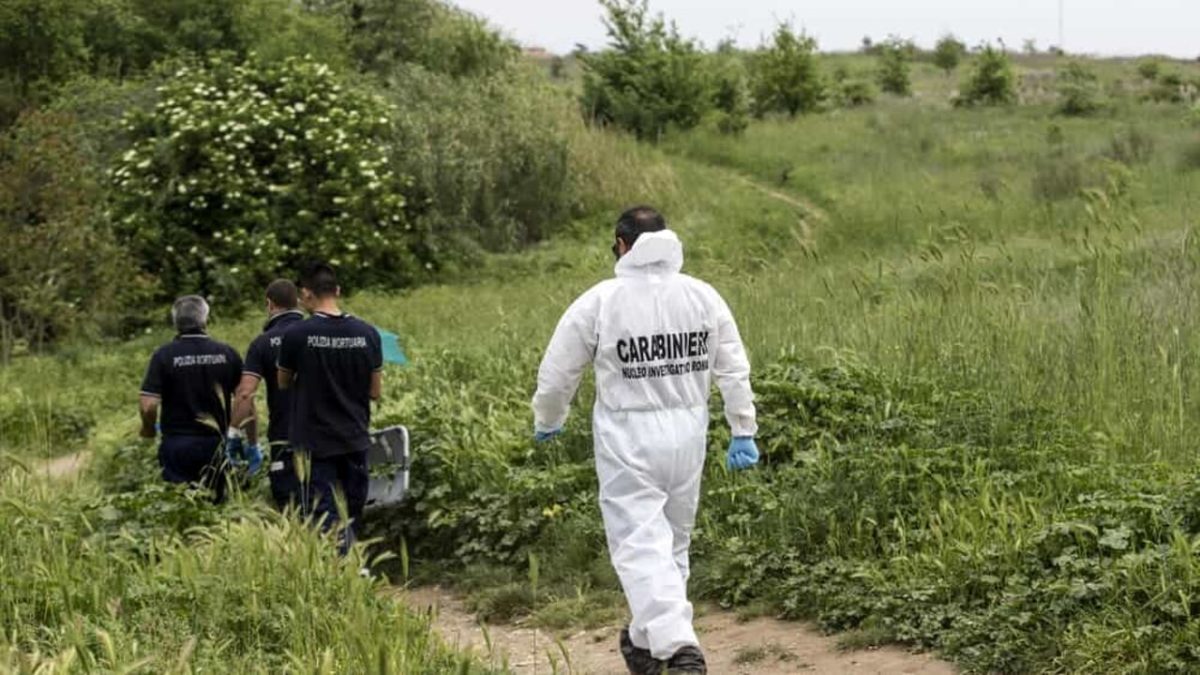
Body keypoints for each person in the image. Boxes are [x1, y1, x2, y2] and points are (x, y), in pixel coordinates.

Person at [531, 206, 760, 675]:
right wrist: (743, 429)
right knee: (671, 545)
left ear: (621, 243)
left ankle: (679, 648)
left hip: (627, 437)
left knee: (638, 545)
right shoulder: (702, 296)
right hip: (688, 434)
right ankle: (642, 643)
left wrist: (548, 418)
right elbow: (733, 367)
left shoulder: (601, 301)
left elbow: (559, 372)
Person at [277, 262, 383, 553]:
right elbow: (375, 392)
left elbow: (282, 381)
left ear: (306, 295)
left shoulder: (297, 335)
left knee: (323, 513)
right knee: (350, 511)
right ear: (337, 290)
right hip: (354, 436)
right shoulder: (368, 333)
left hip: (314, 441)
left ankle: (344, 569)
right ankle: (352, 563)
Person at [139, 295, 244, 503]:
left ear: (175, 323)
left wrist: (149, 429)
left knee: (182, 508)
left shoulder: (163, 356)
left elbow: (148, 405)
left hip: (177, 445)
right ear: (205, 320)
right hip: (218, 445)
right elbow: (244, 398)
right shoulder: (227, 353)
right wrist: (242, 438)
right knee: (219, 506)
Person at [232, 279, 305, 509]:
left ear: (269, 304)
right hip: (327, 433)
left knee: (290, 505)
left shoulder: (261, 344)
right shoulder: (319, 332)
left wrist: (233, 434)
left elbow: (245, 394)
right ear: (299, 302)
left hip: (285, 436)